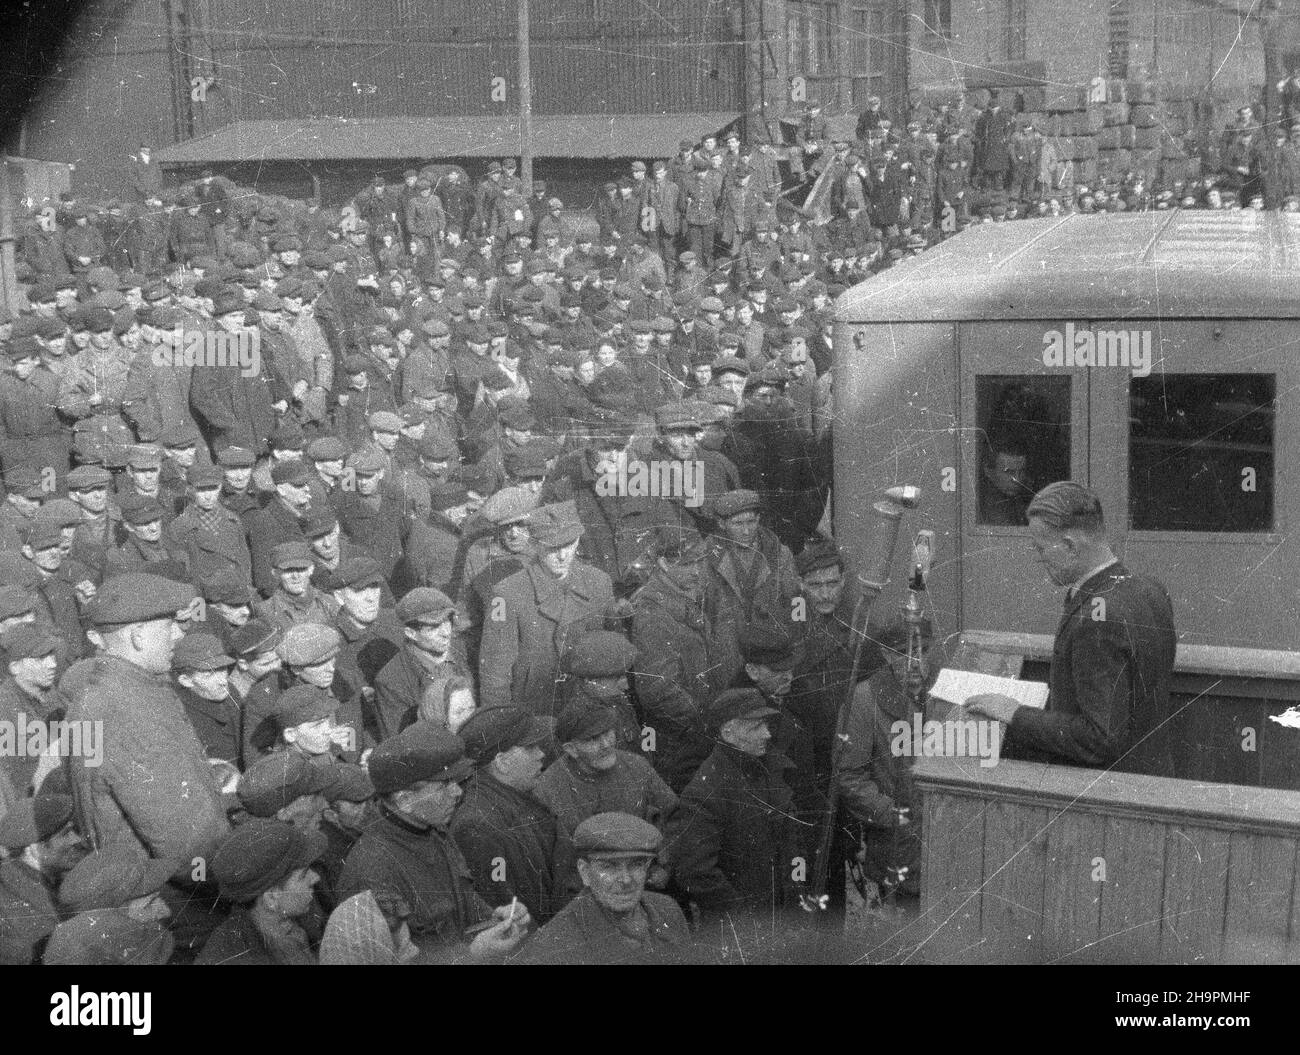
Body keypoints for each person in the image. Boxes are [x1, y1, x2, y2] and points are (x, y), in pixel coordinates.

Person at [966, 481, 1178, 776]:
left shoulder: (1095, 618)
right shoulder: (1151, 590)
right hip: (1151, 776)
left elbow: (1100, 738)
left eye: (1041, 549)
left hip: (1107, 796)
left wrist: (1014, 712)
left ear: (1069, 546)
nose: (1039, 559)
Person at [337, 721, 530, 960]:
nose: (457, 792)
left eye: (456, 781)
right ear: (405, 799)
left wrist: (495, 917)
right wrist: (472, 955)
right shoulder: (372, 873)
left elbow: (461, 899)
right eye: (444, 786)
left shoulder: (431, 827)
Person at [511, 812, 692, 965]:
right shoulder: (555, 946)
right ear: (585, 872)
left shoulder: (667, 909)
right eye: (609, 866)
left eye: (636, 865)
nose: (626, 879)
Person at [450, 706, 571, 924]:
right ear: (502, 762)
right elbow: (506, 910)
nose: (541, 753)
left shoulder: (515, 795)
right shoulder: (478, 826)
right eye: (530, 747)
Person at [197, 819, 325, 965]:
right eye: (304, 875)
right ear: (271, 898)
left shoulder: (289, 920)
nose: (316, 877)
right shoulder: (233, 958)